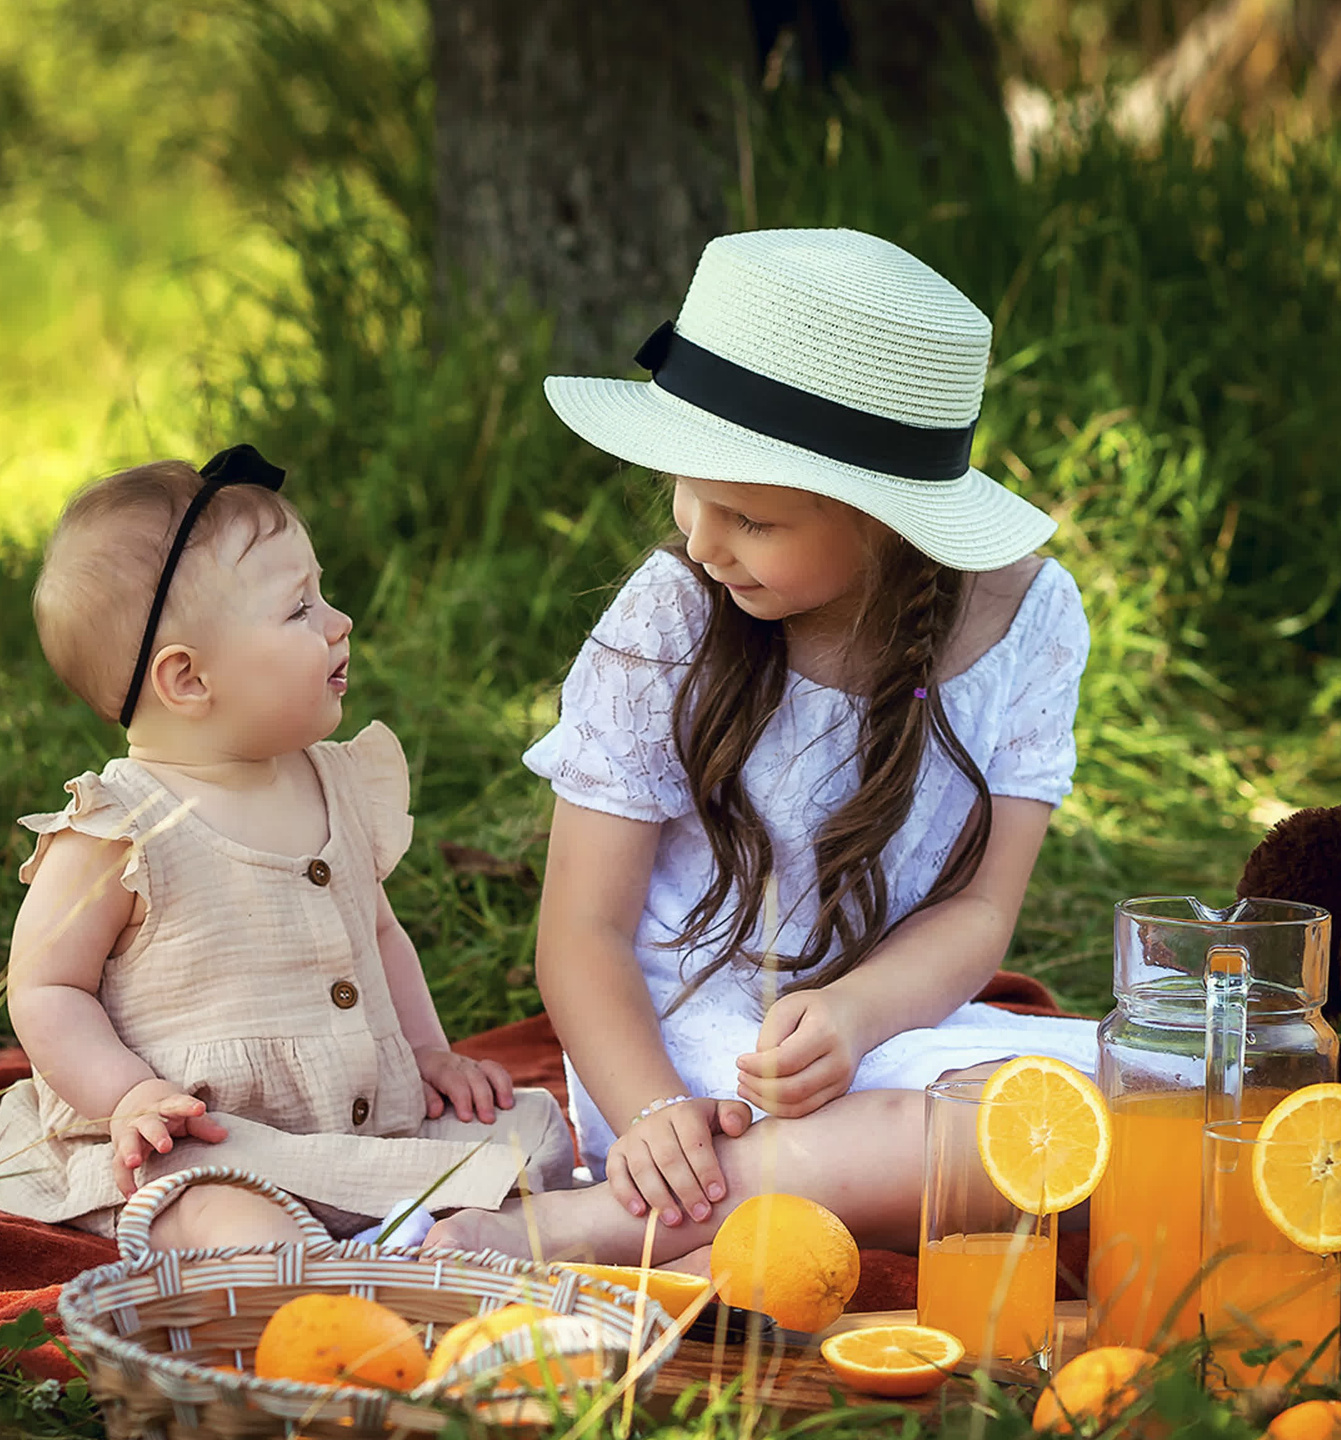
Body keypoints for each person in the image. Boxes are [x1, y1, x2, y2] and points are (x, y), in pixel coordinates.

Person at [424, 229, 1097, 1265]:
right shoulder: (671, 620)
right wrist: (651, 1116)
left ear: (887, 519)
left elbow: (978, 910)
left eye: (748, 514)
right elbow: (581, 933)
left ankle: (712, 1239)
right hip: (682, 1062)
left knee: (1138, 1118)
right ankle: (590, 1223)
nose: (697, 537)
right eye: (685, 488)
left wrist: (860, 1013)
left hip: (883, 1023)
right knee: (962, 1150)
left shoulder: (1030, 621)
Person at [0, 446, 574, 1251]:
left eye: (322, 594)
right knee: (230, 1222)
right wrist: (127, 1096)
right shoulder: (119, 826)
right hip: (208, 1144)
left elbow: (378, 935)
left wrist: (429, 1054)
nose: (340, 622)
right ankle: (336, 1264)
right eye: (300, 609)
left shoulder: (333, 783)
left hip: (359, 1133)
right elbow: (47, 987)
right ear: (188, 680)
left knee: (535, 1139)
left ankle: (398, 1239)